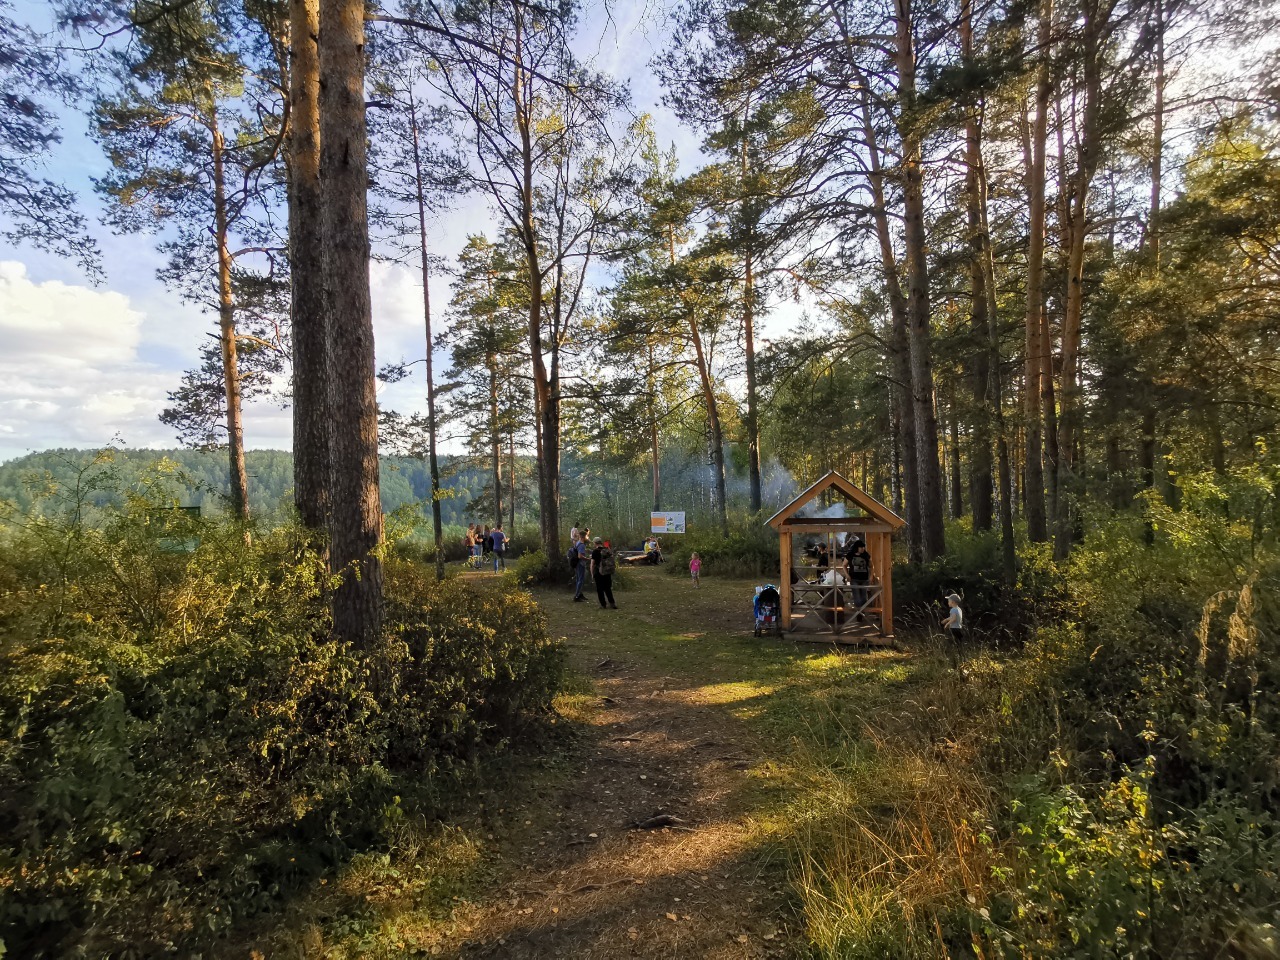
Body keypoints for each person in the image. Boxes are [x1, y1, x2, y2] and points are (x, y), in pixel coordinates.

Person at [845, 540, 872, 620]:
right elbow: (844, 565)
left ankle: (861, 612)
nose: (863, 548)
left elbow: (871, 566)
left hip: (864, 579)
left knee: (864, 598)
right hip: (854, 579)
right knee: (857, 597)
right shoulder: (850, 555)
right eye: (861, 547)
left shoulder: (866, 555)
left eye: (863, 547)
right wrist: (847, 575)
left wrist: (871, 576)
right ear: (857, 547)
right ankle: (859, 615)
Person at [591, 536, 617, 609]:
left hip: (598, 572)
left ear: (595, 543)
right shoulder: (606, 550)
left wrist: (592, 573)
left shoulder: (595, 551)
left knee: (600, 589)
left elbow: (592, 564)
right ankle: (612, 603)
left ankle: (603, 605)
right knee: (607, 588)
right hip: (607, 571)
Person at [942, 593, 964, 660]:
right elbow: (953, 617)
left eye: (948, 601)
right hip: (959, 628)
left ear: (952, 602)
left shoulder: (953, 610)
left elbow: (953, 619)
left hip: (953, 629)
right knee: (959, 644)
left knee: (951, 643)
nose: (948, 602)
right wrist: (946, 619)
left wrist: (947, 624)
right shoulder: (959, 609)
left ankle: (951, 657)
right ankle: (961, 657)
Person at [572, 528, 591, 601]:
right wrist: (588, 559)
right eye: (586, 536)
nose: (587, 537)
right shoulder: (581, 545)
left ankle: (580, 594)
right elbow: (580, 556)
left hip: (577, 564)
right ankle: (576, 596)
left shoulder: (577, 543)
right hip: (580, 564)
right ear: (584, 536)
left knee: (578, 579)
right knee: (581, 580)